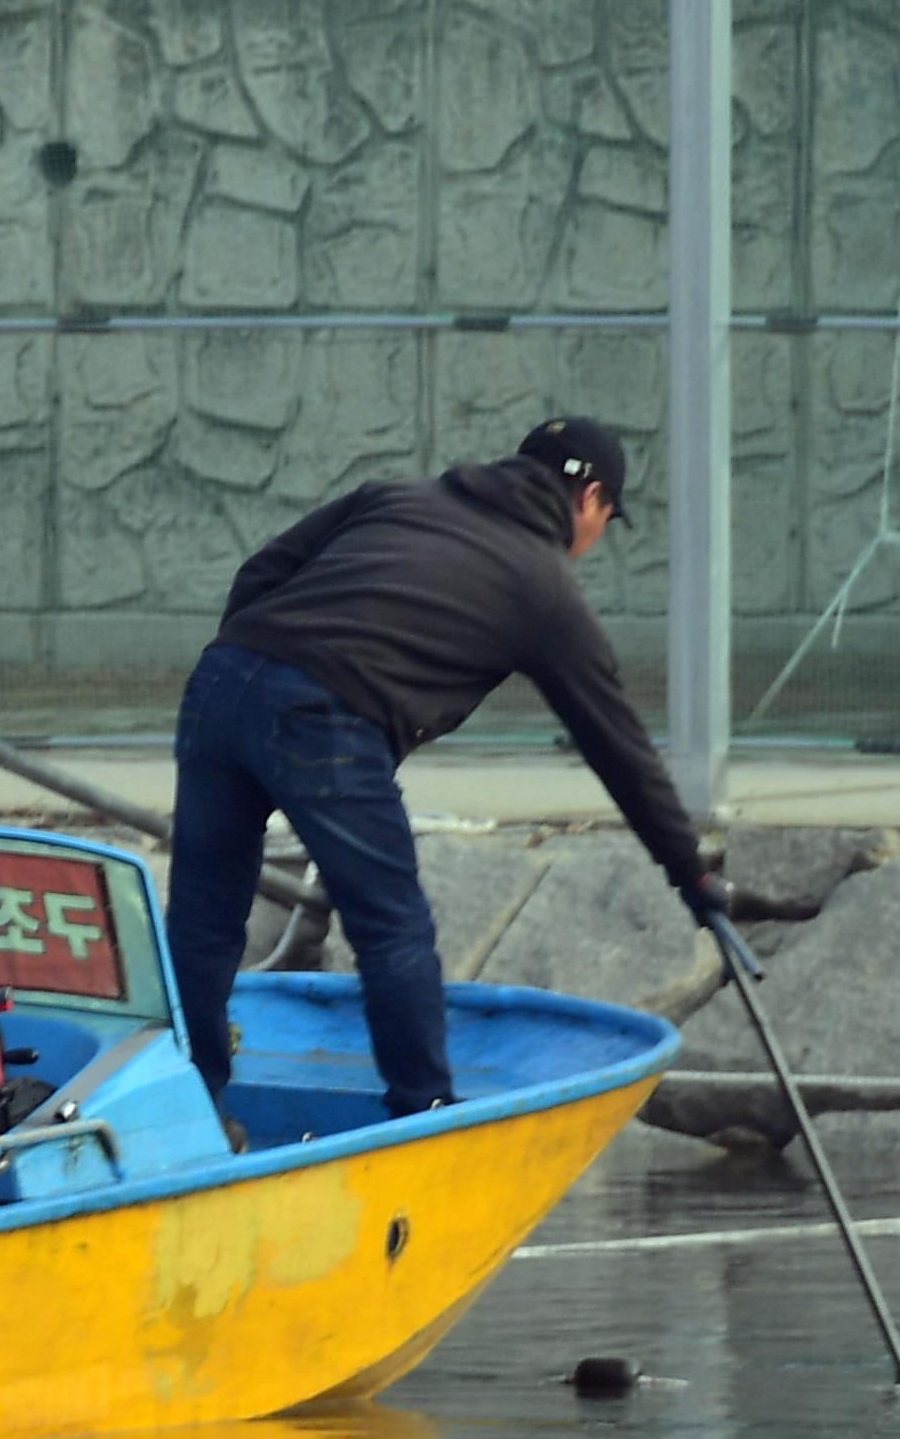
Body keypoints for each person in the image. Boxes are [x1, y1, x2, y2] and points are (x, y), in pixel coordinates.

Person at [164, 415, 725, 1123]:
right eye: (609, 519)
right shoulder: (543, 587)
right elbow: (620, 748)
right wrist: (691, 871)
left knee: (203, 919)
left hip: (220, 684)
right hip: (324, 717)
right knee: (391, 928)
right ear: (590, 503)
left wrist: (257, 673)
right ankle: (423, 1116)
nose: (598, 536)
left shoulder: (398, 496)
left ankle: (188, 1103)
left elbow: (261, 573)